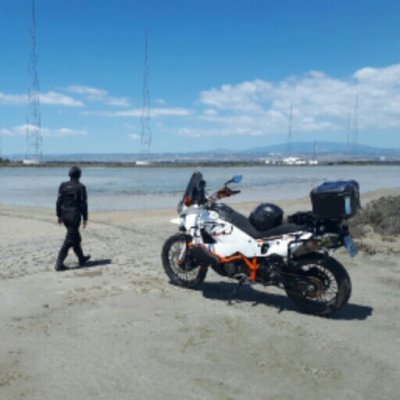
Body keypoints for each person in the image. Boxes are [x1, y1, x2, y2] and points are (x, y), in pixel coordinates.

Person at [55, 166, 90, 271]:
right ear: (79, 175)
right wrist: (85, 218)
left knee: (76, 238)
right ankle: (59, 263)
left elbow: (59, 201)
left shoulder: (63, 185)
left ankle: (81, 258)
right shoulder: (81, 187)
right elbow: (83, 204)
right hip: (74, 216)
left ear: (69, 175)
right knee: (70, 240)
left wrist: (59, 215)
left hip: (65, 215)